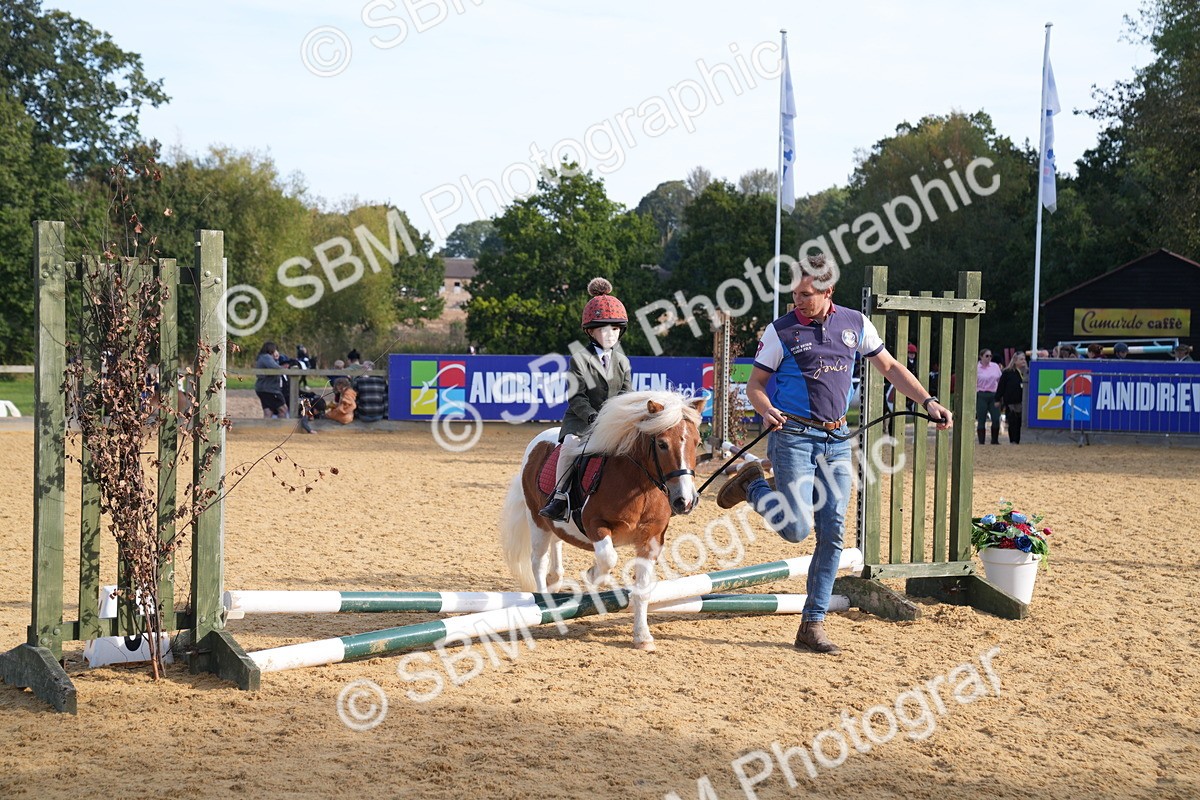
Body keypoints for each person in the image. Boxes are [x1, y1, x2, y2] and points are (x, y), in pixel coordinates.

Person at [715, 255, 952, 655]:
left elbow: (891, 367)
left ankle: (812, 624)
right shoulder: (781, 331)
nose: (797, 301)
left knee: (833, 533)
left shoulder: (856, 324)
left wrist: (927, 400)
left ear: (828, 292)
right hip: (791, 437)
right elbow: (756, 384)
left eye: (806, 294)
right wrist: (764, 408)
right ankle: (753, 483)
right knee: (794, 530)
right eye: (794, 293)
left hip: (838, 440)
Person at [539, 277, 633, 522]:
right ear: (591, 332)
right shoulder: (578, 359)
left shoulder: (623, 362)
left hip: (612, 422)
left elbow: (625, 394)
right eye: (603, 329)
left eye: (614, 329)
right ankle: (559, 497)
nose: (610, 334)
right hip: (582, 420)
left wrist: (620, 417)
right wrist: (593, 416)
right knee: (570, 446)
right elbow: (576, 396)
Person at [994, 352, 1027, 444]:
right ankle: (1013, 441)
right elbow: (1001, 387)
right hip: (1011, 402)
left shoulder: (1027, 372)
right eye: (1021, 359)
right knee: (1012, 422)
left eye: (1024, 359)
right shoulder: (1007, 372)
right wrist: (997, 399)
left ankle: (1020, 440)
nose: (1023, 361)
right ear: (1015, 360)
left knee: (1020, 423)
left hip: (1023, 402)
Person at [254, 341, 288, 419]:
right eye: (275, 349)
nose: (277, 352)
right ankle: (280, 428)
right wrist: (284, 368)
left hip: (262, 389)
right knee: (283, 409)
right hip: (270, 389)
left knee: (268, 412)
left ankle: (266, 429)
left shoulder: (262, 357)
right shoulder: (266, 357)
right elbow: (275, 367)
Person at [975, 348, 1001, 444]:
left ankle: (995, 440)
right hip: (981, 394)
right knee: (981, 418)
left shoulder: (995, 366)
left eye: (990, 356)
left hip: (994, 394)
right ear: (981, 357)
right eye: (986, 356)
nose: (989, 358)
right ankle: (981, 441)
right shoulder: (976, 368)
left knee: (996, 417)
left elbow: (999, 379)